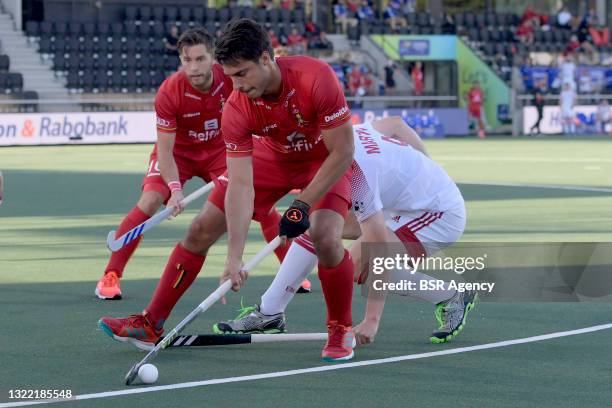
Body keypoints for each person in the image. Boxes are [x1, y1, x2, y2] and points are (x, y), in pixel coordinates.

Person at [100, 19, 356, 362]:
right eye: (231, 75)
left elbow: (343, 152)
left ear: (266, 58)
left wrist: (302, 204)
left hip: (323, 160)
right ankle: (151, 323)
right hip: (273, 157)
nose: (235, 84)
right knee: (200, 228)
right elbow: (240, 184)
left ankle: (340, 327)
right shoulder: (237, 106)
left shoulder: (315, 78)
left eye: (242, 73)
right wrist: (234, 257)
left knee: (325, 235)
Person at [214, 117, 476, 346]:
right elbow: (396, 123)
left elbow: (379, 247)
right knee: (316, 229)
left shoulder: (360, 170)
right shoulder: (349, 132)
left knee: (361, 264)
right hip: (402, 202)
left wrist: (371, 321)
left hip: (437, 213)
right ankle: (269, 312)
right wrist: (427, 166)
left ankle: (450, 295)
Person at [95, 28, 301, 300]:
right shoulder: (169, 92)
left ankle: (291, 275)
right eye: (186, 60)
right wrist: (174, 188)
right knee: (149, 201)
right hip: (179, 153)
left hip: (219, 150)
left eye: (200, 59)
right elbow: (165, 151)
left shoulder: (230, 80)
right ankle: (111, 275)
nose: (193, 67)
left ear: (213, 57)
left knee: (260, 205)